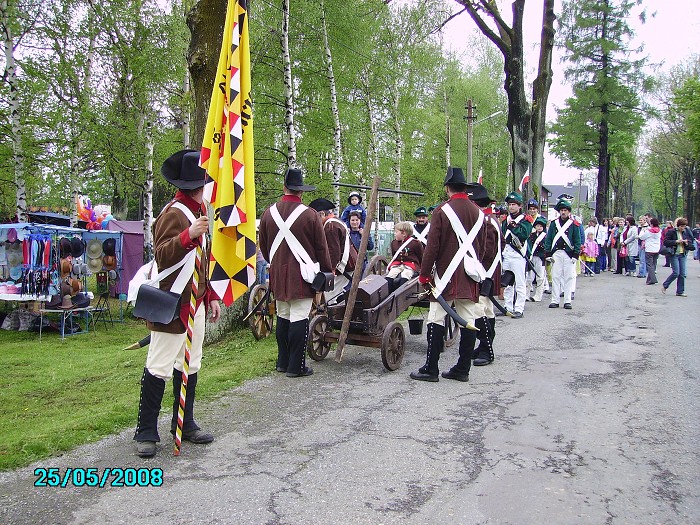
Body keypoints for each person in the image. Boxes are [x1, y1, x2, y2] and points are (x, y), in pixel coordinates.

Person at [134, 149, 221, 458]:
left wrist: (209, 295)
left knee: (190, 364)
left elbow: (203, 260)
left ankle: (183, 423)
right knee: (158, 366)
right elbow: (163, 255)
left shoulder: (201, 210)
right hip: (171, 303)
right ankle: (146, 431)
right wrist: (188, 234)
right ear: (195, 185)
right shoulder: (174, 213)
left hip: (193, 302)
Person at [410, 167, 490, 382]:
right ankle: (463, 369)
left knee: (436, 318)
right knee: (468, 319)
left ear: (447, 188)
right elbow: (482, 248)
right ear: (465, 188)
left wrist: (424, 275)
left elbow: (432, 248)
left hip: (445, 277)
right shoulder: (479, 213)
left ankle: (431, 368)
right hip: (470, 276)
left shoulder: (441, 211)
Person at [259, 167, 333, 378]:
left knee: (283, 316)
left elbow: (264, 247)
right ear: (301, 191)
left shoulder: (268, 213)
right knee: (299, 318)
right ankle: (296, 366)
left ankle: (282, 362)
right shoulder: (310, 215)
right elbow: (321, 248)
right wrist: (326, 271)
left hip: (278, 274)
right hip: (302, 275)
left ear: (284, 187)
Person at [465, 182, 503, 366]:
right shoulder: (488, 219)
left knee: (479, 310)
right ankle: (483, 347)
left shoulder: (485, 223)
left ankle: (487, 350)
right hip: (487, 273)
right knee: (486, 310)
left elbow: (486, 254)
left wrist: (480, 277)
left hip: (483, 273)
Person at [308, 197, 357, 301]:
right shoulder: (335, 222)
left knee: (331, 297)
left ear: (321, 214)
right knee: (336, 293)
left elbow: (333, 251)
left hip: (343, 266)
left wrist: (331, 269)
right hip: (348, 263)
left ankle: (335, 315)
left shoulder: (330, 226)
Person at [544, 198, 581, 310]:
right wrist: (548, 253)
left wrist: (575, 255)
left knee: (569, 277)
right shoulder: (554, 223)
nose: (563, 212)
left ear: (569, 212)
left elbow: (577, 240)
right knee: (556, 276)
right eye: (561, 210)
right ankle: (555, 300)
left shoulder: (573, 224)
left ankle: (567, 300)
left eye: (565, 210)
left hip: (569, 254)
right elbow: (549, 239)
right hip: (557, 253)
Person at [500, 191, 533, 318]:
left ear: (519, 206)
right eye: (510, 204)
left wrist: (513, 227)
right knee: (508, 283)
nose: (511, 207)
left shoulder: (526, 220)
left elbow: (524, 234)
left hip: (519, 255)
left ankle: (519, 308)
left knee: (519, 283)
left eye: (514, 204)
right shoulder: (506, 220)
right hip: (507, 254)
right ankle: (508, 307)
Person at [661, 217, 695, 297]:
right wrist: (676, 241)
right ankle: (665, 285)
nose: (683, 228)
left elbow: (690, 241)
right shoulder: (671, 232)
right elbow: (665, 242)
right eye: (682, 226)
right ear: (678, 226)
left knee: (682, 274)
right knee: (676, 272)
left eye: (684, 226)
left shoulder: (685, 232)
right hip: (674, 254)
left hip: (682, 254)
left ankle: (680, 291)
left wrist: (686, 243)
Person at [385, 221, 424, 291]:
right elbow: (395, 256)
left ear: (404, 234)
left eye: (396, 232)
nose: (395, 234)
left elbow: (420, 256)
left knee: (406, 275)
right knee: (390, 275)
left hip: (410, 265)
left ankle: (400, 294)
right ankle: (388, 293)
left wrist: (420, 269)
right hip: (398, 265)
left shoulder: (415, 243)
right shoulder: (394, 243)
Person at [525, 216, 548, 301]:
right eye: (537, 226)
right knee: (529, 277)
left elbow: (546, 247)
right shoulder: (531, 235)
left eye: (541, 226)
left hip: (540, 258)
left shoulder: (545, 236)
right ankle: (526, 294)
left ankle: (538, 296)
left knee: (540, 277)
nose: (539, 227)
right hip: (532, 257)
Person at [348, 210, 373, 274]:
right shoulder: (346, 233)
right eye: (352, 220)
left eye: (357, 220)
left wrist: (364, 236)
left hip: (362, 263)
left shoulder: (365, 232)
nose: (355, 222)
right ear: (349, 221)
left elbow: (370, 247)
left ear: (360, 221)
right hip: (349, 264)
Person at [638, 217, 661, 285]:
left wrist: (643, 230)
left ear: (651, 224)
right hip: (657, 249)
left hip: (649, 249)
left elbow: (641, 237)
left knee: (649, 265)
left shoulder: (649, 231)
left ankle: (653, 279)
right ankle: (649, 280)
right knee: (653, 264)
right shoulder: (659, 231)